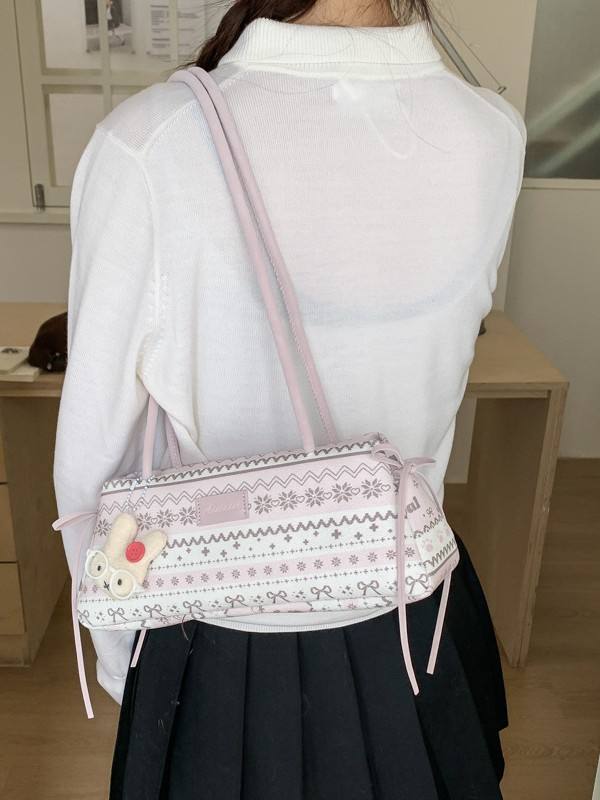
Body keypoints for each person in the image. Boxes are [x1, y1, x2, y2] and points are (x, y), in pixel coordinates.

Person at [53, 0, 526, 797]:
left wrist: (122, 655)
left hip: (215, 639)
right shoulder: (492, 133)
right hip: (418, 613)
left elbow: (92, 459)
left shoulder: (151, 142)